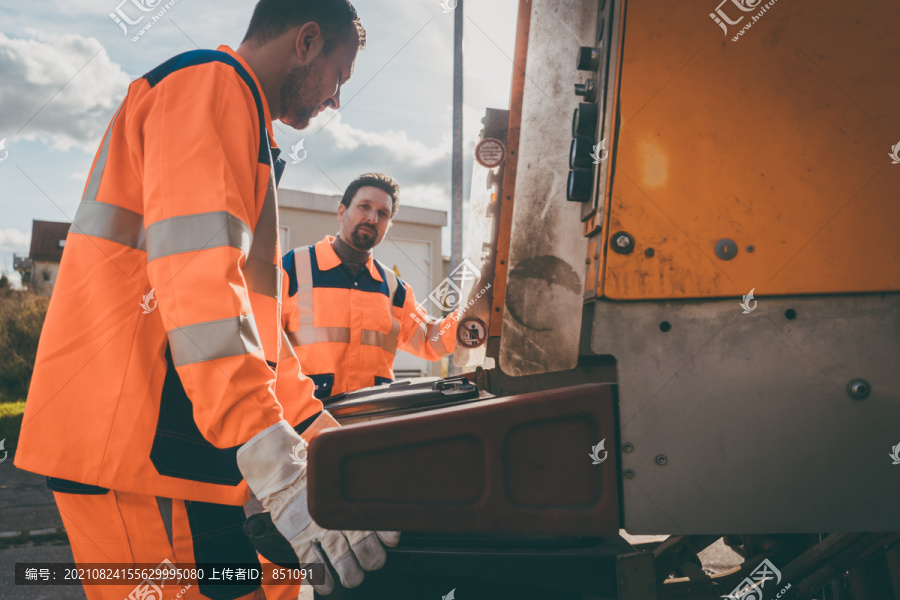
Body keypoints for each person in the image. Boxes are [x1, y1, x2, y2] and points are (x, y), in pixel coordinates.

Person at [13, 1, 397, 599]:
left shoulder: (240, 120)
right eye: (339, 75)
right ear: (307, 41)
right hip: (133, 448)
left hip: (179, 447)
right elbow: (199, 287)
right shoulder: (208, 89)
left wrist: (314, 434)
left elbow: (254, 325)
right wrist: (273, 457)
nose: (335, 99)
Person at [281, 173, 458, 400]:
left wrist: (470, 318)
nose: (372, 218)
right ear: (342, 212)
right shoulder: (293, 267)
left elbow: (429, 340)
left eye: (382, 214)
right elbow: (264, 345)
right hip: (306, 425)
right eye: (364, 207)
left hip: (370, 423)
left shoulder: (394, 289)